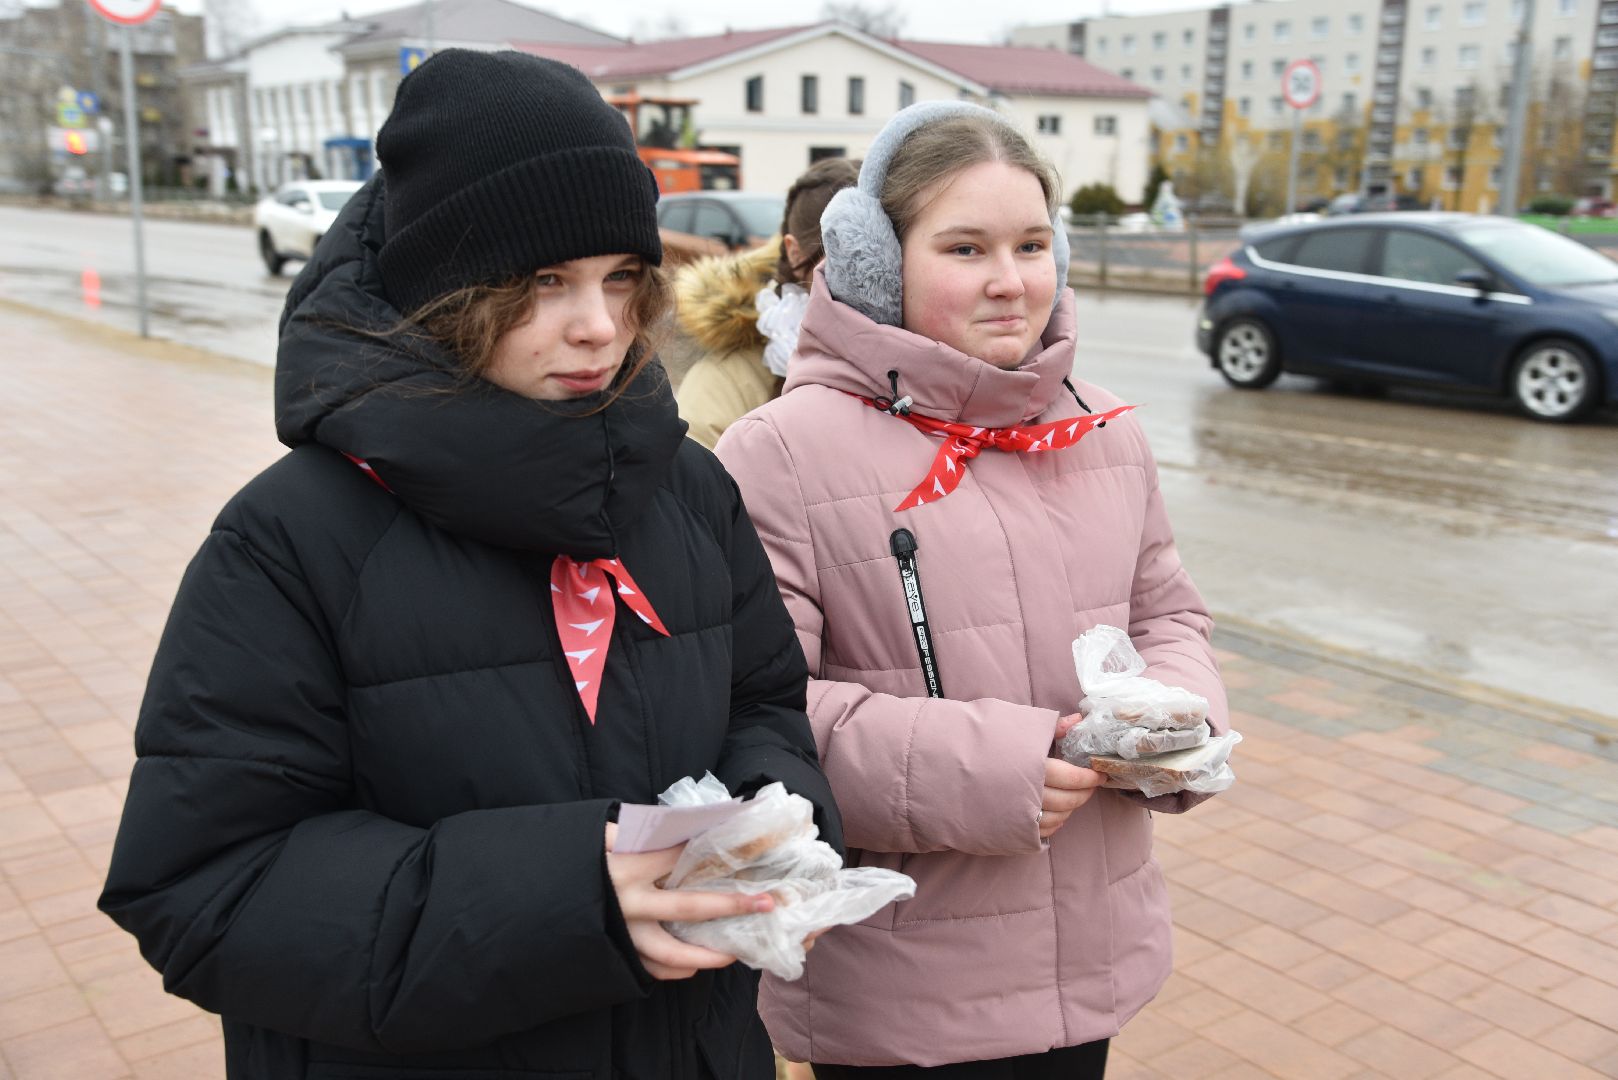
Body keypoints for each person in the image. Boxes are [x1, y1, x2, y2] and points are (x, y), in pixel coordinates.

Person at [98, 49, 840, 1080]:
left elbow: (761, 702)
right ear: (444, 291)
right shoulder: (288, 539)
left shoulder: (688, 490)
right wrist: (570, 901)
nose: (598, 326)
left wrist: (774, 815)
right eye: (544, 282)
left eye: (620, 278)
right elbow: (204, 885)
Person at [714, 101, 1229, 1077]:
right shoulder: (778, 453)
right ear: (875, 262)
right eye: (965, 248)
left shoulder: (1105, 432)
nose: (1010, 281)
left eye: (1031, 245)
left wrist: (1178, 716)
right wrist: (997, 770)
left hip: (1092, 961)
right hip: (901, 990)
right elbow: (755, 713)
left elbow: (1168, 612)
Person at [674, 156, 859, 448]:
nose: (869, 277)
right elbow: (692, 471)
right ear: (794, 253)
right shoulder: (727, 381)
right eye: (846, 255)